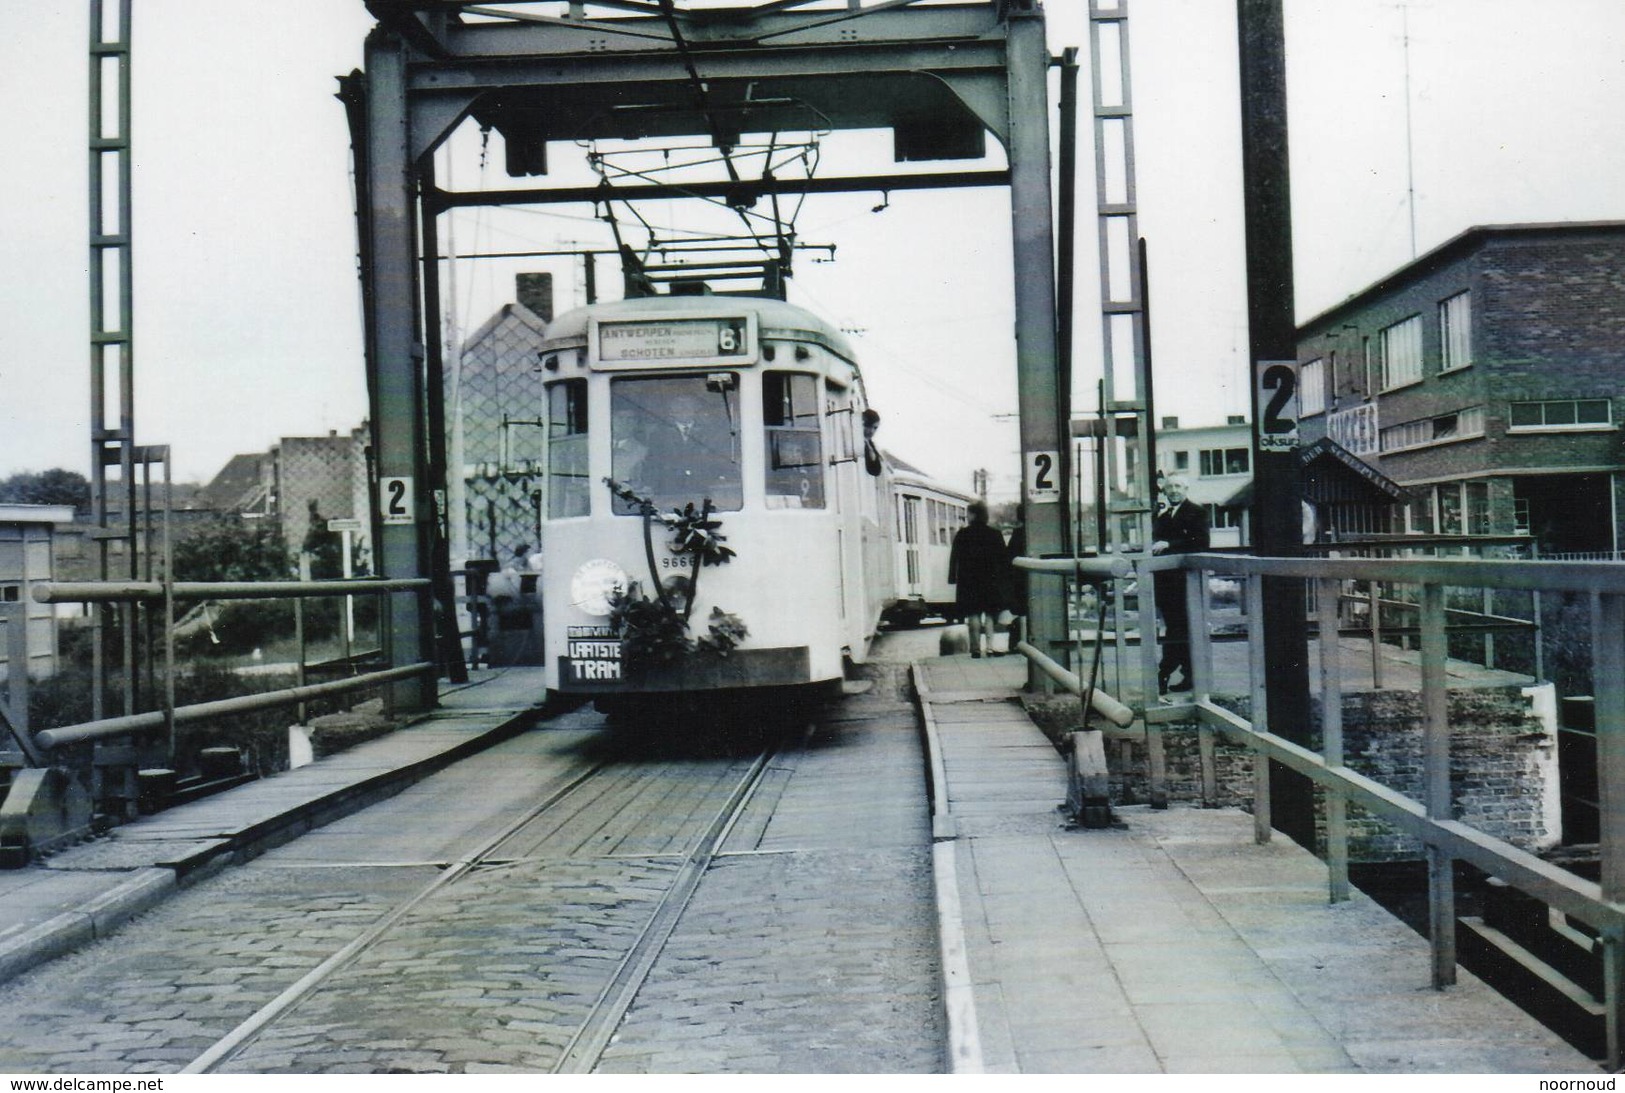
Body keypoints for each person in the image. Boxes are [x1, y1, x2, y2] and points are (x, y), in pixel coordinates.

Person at [1151, 473, 1210, 692]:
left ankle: (1164, 673)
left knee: (1178, 630)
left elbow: (1201, 542)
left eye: (1178, 486)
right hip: (1167, 584)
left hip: (1187, 584)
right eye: (1170, 487)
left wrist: (1169, 544)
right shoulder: (1164, 516)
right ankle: (1188, 676)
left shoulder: (1197, 512)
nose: (1174, 490)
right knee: (1178, 629)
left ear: (1186, 489)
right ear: (1165, 491)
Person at [948, 499, 1010, 659]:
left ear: (974, 514)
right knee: (990, 615)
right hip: (991, 579)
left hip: (969, 580)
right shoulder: (994, 534)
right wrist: (1003, 578)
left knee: (973, 614)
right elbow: (1003, 559)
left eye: (968, 513)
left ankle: (975, 649)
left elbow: (954, 558)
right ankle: (989, 648)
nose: (966, 516)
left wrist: (952, 577)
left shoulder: (963, 534)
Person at [998, 504, 1027, 654]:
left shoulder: (1017, 534)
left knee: (1021, 612)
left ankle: (1016, 642)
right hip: (1032, 580)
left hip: (1020, 580)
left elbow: (1009, 559)